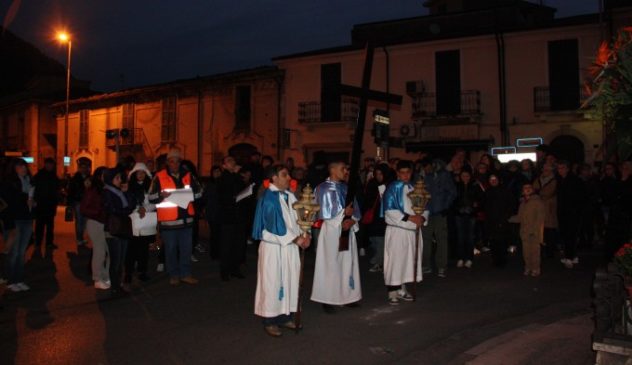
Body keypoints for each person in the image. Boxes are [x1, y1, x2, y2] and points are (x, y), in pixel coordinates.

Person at [253, 164, 311, 337]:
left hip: (290, 248)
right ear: (273, 178)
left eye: (288, 175)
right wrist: (297, 239)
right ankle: (270, 320)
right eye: (284, 175)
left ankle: (286, 316)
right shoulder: (268, 198)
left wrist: (305, 233)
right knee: (273, 284)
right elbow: (274, 227)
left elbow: (298, 219)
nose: (289, 178)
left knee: (290, 281)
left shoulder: (290, 196)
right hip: (274, 248)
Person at [311, 160, 362, 313]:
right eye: (343, 168)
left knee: (347, 262)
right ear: (332, 170)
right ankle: (328, 298)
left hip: (348, 230)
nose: (346, 171)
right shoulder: (322, 189)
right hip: (332, 231)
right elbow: (325, 214)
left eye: (346, 168)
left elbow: (355, 209)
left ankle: (346, 296)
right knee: (331, 263)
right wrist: (342, 218)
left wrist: (352, 220)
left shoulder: (346, 188)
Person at [148, 149, 202, 286]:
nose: (175, 164)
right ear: (167, 163)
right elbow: (151, 197)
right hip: (169, 223)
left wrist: (190, 196)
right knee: (170, 250)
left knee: (186, 249)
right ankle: (174, 275)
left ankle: (185, 274)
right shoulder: (159, 177)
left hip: (186, 221)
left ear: (180, 162)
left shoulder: (188, 175)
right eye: (172, 161)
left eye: (177, 161)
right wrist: (161, 195)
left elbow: (200, 192)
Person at [382, 160, 427, 305]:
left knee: (408, 261)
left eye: (408, 172)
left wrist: (422, 218)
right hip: (398, 231)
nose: (405, 175)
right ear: (397, 173)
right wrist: (410, 218)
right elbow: (389, 211)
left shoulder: (416, 188)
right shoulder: (392, 188)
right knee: (396, 260)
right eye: (402, 173)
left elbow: (425, 207)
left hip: (412, 232)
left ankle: (403, 288)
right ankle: (392, 291)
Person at [1, 158, 34, 292]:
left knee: (21, 253)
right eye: (20, 166)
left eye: (24, 166)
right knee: (14, 253)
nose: (24, 168)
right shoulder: (9, 183)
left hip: (27, 219)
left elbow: (29, 201)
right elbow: (8, 204)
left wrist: (33, 203)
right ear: (14, 168)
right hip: (15, 221)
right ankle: (10, 280)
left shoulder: (28, 182)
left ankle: (19, 279)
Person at [419, 158, 456, 278]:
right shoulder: (423, 176)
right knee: (425, 239)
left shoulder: (443, 175)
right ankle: (426, 265)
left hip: (440, 211)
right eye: (424, 167)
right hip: (426, 212)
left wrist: (445, 207)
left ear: (433, 165)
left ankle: (441, 266)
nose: (426, 169)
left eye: (428, 166)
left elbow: (452, 192)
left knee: (441, 239)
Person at [103, 167, 136, 296]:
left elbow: (132, 204)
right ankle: (115, 287)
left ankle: (118, 284)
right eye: (116, 178)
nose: (119, 180)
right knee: (116, 260)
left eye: (119, 177)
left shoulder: (120, 192)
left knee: (121, 260)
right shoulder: (107, 192)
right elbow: (113, 209)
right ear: (110, 179)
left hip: (123, 228)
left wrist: (127, 193)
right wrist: (127, 211)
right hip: (113, 229)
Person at [216, 155, 248, 281]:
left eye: (233, 160)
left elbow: (241, 190)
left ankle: (235, 269)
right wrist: (236, 174)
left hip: (238, 216)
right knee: (226, 246)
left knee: (237, 244)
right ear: (224, 165)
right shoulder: (222, 178)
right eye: (229, 161)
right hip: (227, 217)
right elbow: (228, 191)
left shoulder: (237, 177)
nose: (233, 162)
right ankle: (225, 271)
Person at [125, 163, 156, 284]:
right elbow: (126, 202)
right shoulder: (129, 187)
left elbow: (155, 202)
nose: (140, 175)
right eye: (138, 173)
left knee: (144, 249)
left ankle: (142, 271)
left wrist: (145, 209)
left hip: (146, 221)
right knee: (131, 248)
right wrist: (136, 209)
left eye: (143, 172)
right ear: (134, 174)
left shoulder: (151, 187)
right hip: (133, 221)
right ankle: (128, 272)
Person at [81, 167, 110, 289]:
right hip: (95, 222)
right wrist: (99, 213)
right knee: (99, 251)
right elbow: (84, 208)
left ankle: (105, 276)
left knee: (107, 251)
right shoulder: (93, 190)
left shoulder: (106, 188)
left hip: (104, 222)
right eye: (105, 174)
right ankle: (97, 278)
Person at [510, 183, 545, 276]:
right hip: (524, 231)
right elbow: (519, 217)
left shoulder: (537, 201)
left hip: (534, 231)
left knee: (535, 251)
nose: (527, 189)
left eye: (529, 187)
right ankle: (528, 267)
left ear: (533, 189)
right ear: (522, 191)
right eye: (525, 188)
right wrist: (507, 218)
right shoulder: (522, 203)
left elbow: (540, 218)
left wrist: (535, 230)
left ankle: (536, 268)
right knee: (526, 252)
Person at [556, 160, 585, 268]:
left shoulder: (575, 180)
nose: (560, 170)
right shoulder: (560, 180)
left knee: (571, 235)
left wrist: (577, 210)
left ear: (567, 168)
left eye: (562, 168)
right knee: (565, 234)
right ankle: (571, 255)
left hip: (573, 213)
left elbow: (580, 197)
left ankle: (570, 257)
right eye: (559, 168)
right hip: (563, 212)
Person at [363, 163, 392, 273]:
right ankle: (380, 259)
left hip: (383, 217)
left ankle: (379, 262)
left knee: (380, 240)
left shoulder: (390, 184)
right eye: (377, 174)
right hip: (373, 217)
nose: (379, 176)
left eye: (381, 174)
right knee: (373, 239)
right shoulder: (372, 183)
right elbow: (367, 199)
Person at [453, 169, 483, 268]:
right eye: (463, 175)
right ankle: (460, 258)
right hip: (459, 214)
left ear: (470, 176)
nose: (465, 177)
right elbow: (452, 200)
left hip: (471, 215)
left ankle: (469, 258)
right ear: (460, 176)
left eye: (467, 175)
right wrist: (458, 209)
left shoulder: (475, 185)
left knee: (470, 237)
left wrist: (475, 207)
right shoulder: (456, 186)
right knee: (460, 237)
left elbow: (481, 199)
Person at [483, 174, 515, 267]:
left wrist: (505, 217)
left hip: (502, 220)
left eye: (495, 179)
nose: (493, 181)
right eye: (491, 179)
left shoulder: (505, 191)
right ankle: (495, 260)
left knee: (502, 240)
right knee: (493, 241)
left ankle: (502, 260)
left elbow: (511, 205)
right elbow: (485, 206)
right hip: (491, 221)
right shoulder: (487, 192)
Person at [32, 158, 60, 252]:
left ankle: (49, 243)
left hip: (50, 205)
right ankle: (38, 243)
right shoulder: (39, 175)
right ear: (45, 164)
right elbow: (34, 188)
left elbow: (57, 187)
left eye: (51, 164)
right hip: (41, 205)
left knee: (50, 226)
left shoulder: (53, 175)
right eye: (48, 164)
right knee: (40, 225)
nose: (50, 166)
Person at [67, 161, 91, 246]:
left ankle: (81, 237)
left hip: (87, 201)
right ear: (79, 168)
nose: (84, 169)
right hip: (78, 201)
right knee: (79, 221)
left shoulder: (89, 178)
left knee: (84, 221)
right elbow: (70, 191)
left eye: (86, 167)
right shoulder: (75, 178)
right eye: (82, 167)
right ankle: (79, 238)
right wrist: (70, 203)